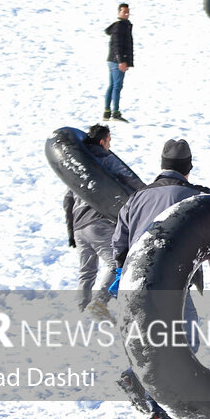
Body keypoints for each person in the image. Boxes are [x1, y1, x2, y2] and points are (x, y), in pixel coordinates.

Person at [110, 138, 210, 419]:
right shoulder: (192, 196)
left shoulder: (137, 197)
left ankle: (153, 408)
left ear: (162, 166)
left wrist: (122, 274)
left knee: (154, 342)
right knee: (185, 341)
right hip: (170, 285)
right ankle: (137, 382)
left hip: (133, 283)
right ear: (189, 167)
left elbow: (118, 243)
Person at [62, 124, 143, 320]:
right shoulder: (104, 160)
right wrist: (149, 193)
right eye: (109, 141)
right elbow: (130, 180)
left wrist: (71, 231)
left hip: (79, 226)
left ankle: (83, 309)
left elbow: (68, 200)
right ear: (102, 141)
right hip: (99, 222)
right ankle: (99, 303)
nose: (110, 146)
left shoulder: (78, 164)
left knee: (86, 271)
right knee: (118, 265)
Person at [104, 3, 133, 122]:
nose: (126, 14)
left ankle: (107, 112)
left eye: (127, 12)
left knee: (112, 86)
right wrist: (121, 61)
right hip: (117, 61)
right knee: (117, 86)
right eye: (123, 12)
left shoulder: (123, 25)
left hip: (114, 60)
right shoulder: (120, 26)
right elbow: (117, 45)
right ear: (118, 12)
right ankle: (115, 112)